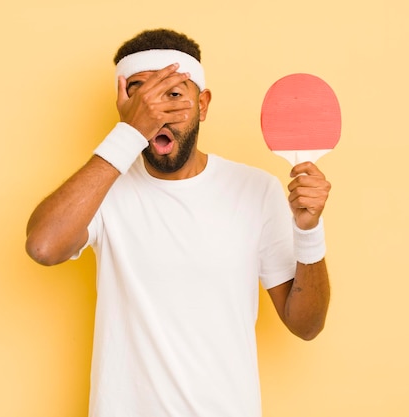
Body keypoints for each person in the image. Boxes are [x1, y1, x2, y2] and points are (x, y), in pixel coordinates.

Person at [25, 28, 331, 417]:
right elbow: (43, 246)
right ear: (124, 107)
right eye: (140, 95)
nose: (158, 112)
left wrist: (309, 231)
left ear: (202, 104)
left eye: (173, 94)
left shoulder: (256, 190)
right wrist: (127, 134)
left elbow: (306, 325)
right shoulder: (103, 189)